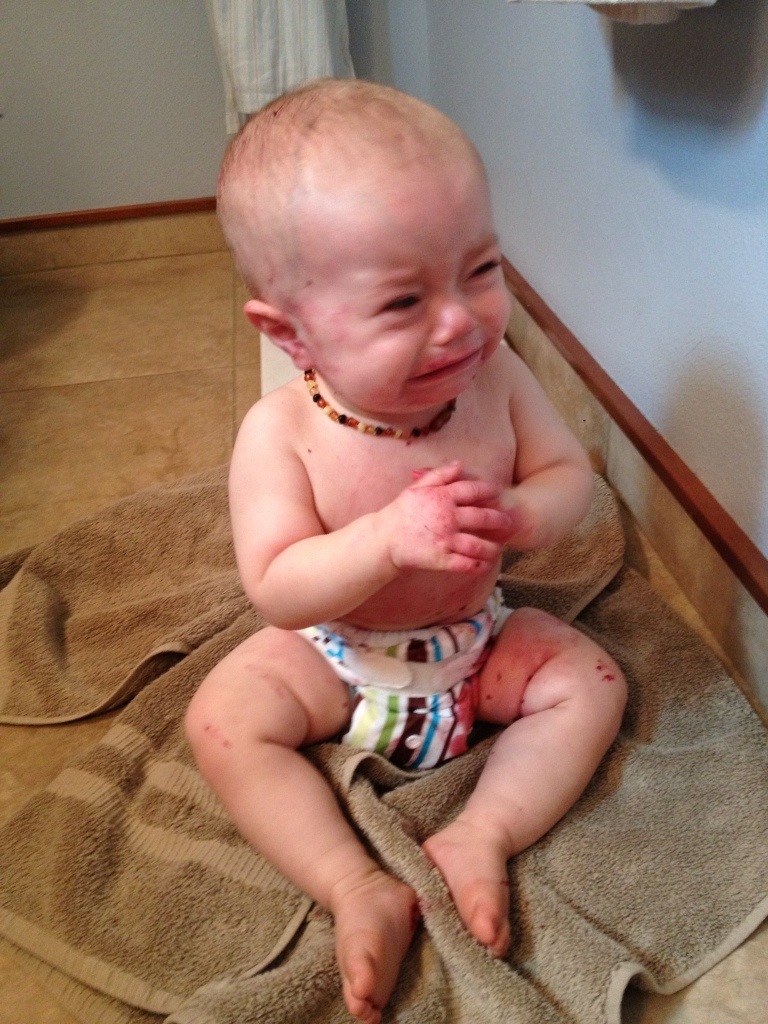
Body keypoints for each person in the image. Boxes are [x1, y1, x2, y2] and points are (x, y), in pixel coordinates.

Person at [185, 78, 627, 1024]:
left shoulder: (495, 377)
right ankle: (354, 886)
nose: (460, 320)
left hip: (475, 640)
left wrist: (523, 514)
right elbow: (278, 589)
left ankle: (483, 833)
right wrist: (383, 540)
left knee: (592, 682)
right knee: (221, 721)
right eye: (402, 302)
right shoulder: (282, 433)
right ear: (291, 334)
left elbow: (568, 476)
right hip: (336, 654)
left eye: (480, 269)